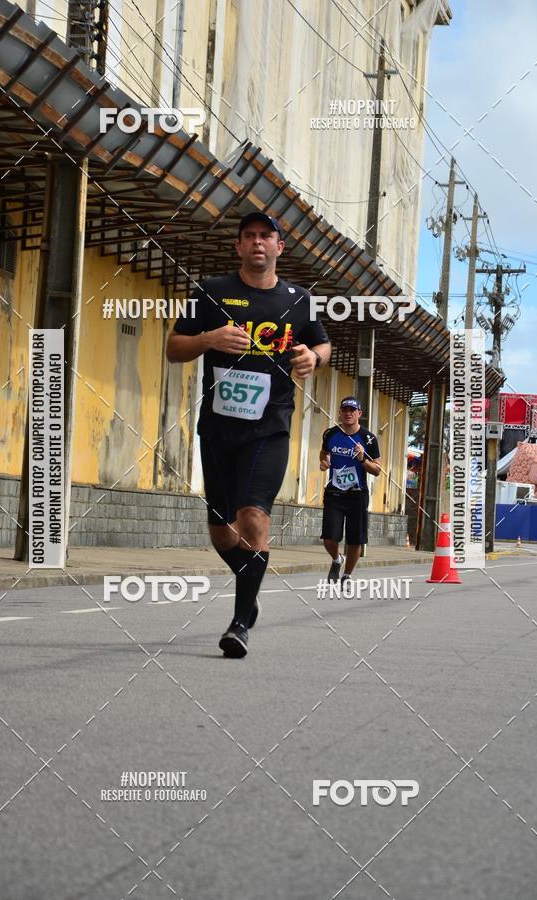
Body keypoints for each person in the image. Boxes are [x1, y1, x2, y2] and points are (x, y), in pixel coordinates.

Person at [166, 212, 331, 658]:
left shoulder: (299, 301)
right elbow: (173, 348)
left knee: (253, 517)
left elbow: (323, 345)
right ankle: (250, 581)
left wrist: (312, 359)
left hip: (270, 428)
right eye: (249, 237)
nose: (258, 243)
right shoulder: (212, 292)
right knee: (222, 531)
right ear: (238, 247)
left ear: (280, 247)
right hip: (218, 428)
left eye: (266, 236)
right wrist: (209, 339)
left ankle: (239, 623)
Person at [319, 397, 381, 583]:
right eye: (345, 410)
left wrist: (362, 459)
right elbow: (323, 453)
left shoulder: (368, 438)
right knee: (329, 538)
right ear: (340, 412)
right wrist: (324, 462)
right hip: (334, 493)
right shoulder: (330, 434)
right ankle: (337, 559)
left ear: (359, 414)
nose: (348, 413)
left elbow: (377, 470)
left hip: (357, 495)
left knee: (355, 540)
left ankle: (347, 575)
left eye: (352, 410)